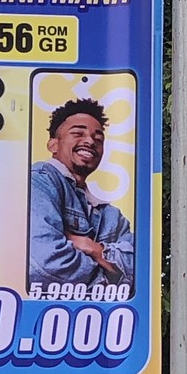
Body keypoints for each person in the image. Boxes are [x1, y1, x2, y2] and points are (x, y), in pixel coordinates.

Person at [28, 98, 134, 295]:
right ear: (53, 145)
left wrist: (92, 248)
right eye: (78, 133)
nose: (90, 141)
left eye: (98, 139)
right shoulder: (39, 181)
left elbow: (140, 270)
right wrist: (107, 279)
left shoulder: (113, 217)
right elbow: (46, 262)